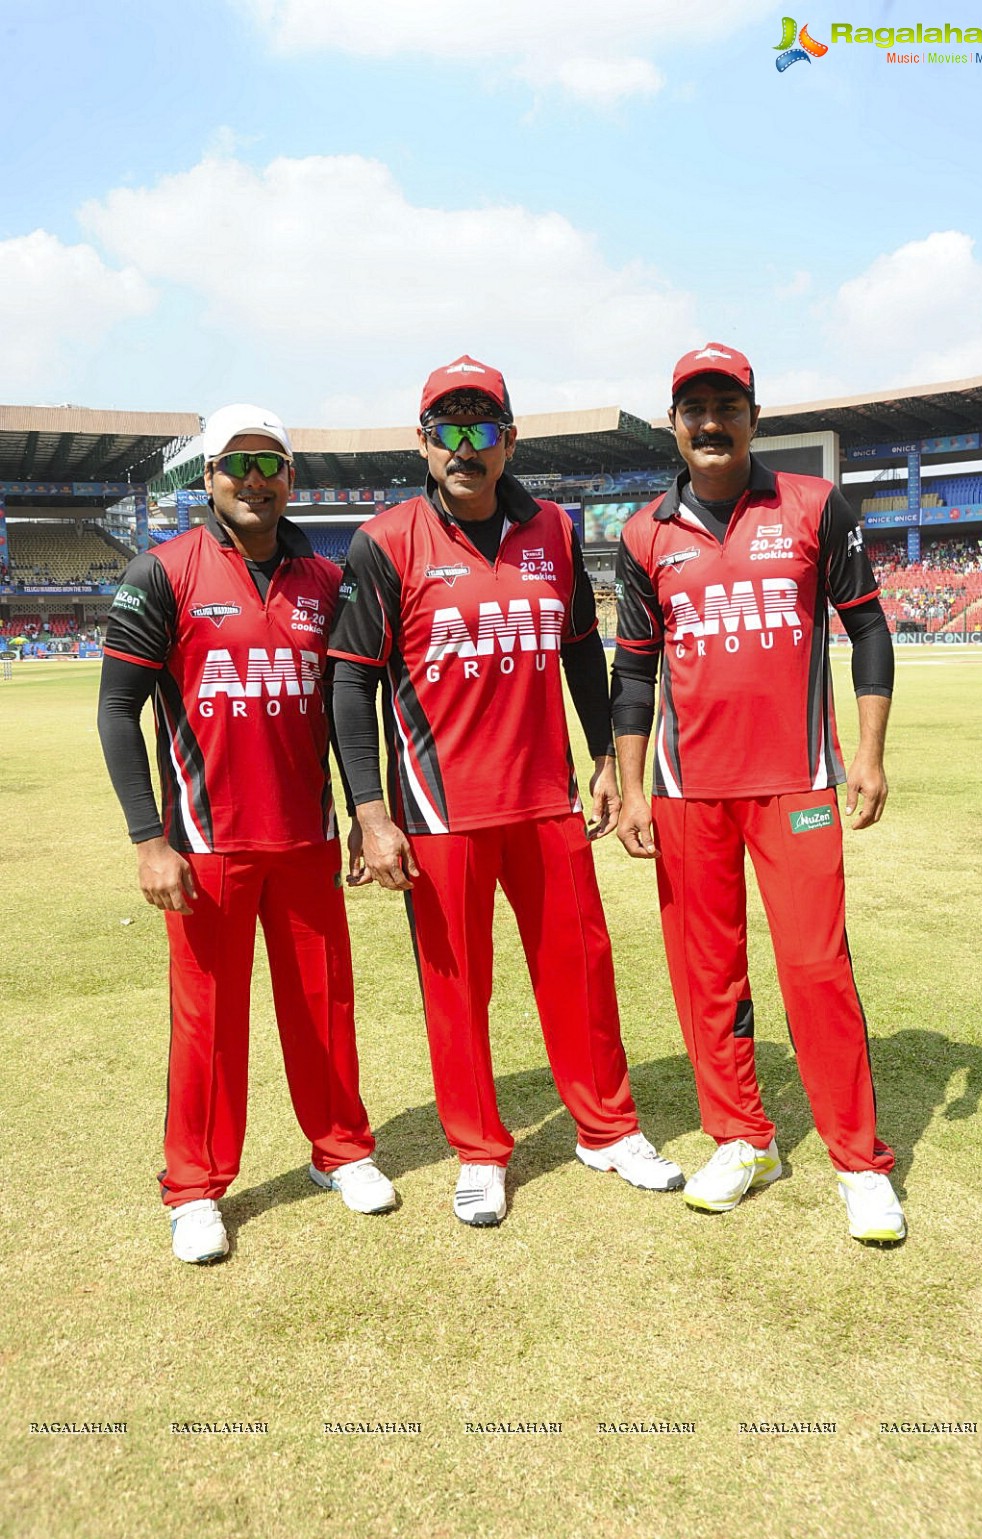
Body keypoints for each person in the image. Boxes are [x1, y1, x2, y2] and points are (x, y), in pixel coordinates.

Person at [329, 356, 683, 1226]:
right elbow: (349, 686)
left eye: (479, 428)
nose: (463, 446)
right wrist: (370, 814)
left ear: (508, 440)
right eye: (445, 430)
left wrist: (604, 756)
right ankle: (480, 1149)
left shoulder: (555, 531)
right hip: (439, 814)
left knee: (582, 970)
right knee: (458, 991)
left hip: (545, 802)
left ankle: (604, 1128)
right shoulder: (384, 541)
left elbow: (577, 652)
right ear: (421, 443)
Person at [612, 343, 905, 1245]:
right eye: (693, 408)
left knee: (817, 971)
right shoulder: (642, 533)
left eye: (725, 406)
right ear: (674, 423)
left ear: (751, 415)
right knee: (709, 976)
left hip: (797, 784)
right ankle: (742, 1137)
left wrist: (867, 752)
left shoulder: (814, 506)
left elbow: (867, 630)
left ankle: (857, 1162)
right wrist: (629, 789)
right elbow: (632, 672)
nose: (709, 422)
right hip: (686, 791)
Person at [98, 404, 396, 1264]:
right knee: (209, 1024)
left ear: (290, 479)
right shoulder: (164, 572)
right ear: (209, 479)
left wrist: (360, 810)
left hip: (303, 837)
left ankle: (341, 1150)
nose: (254, 480)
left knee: (323, 1009)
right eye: (236, 466)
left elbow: (348, 709)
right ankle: (193, 1187)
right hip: (205, 844)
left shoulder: (325, 579)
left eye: (270, 465)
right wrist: (149, 839)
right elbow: (118, 710)